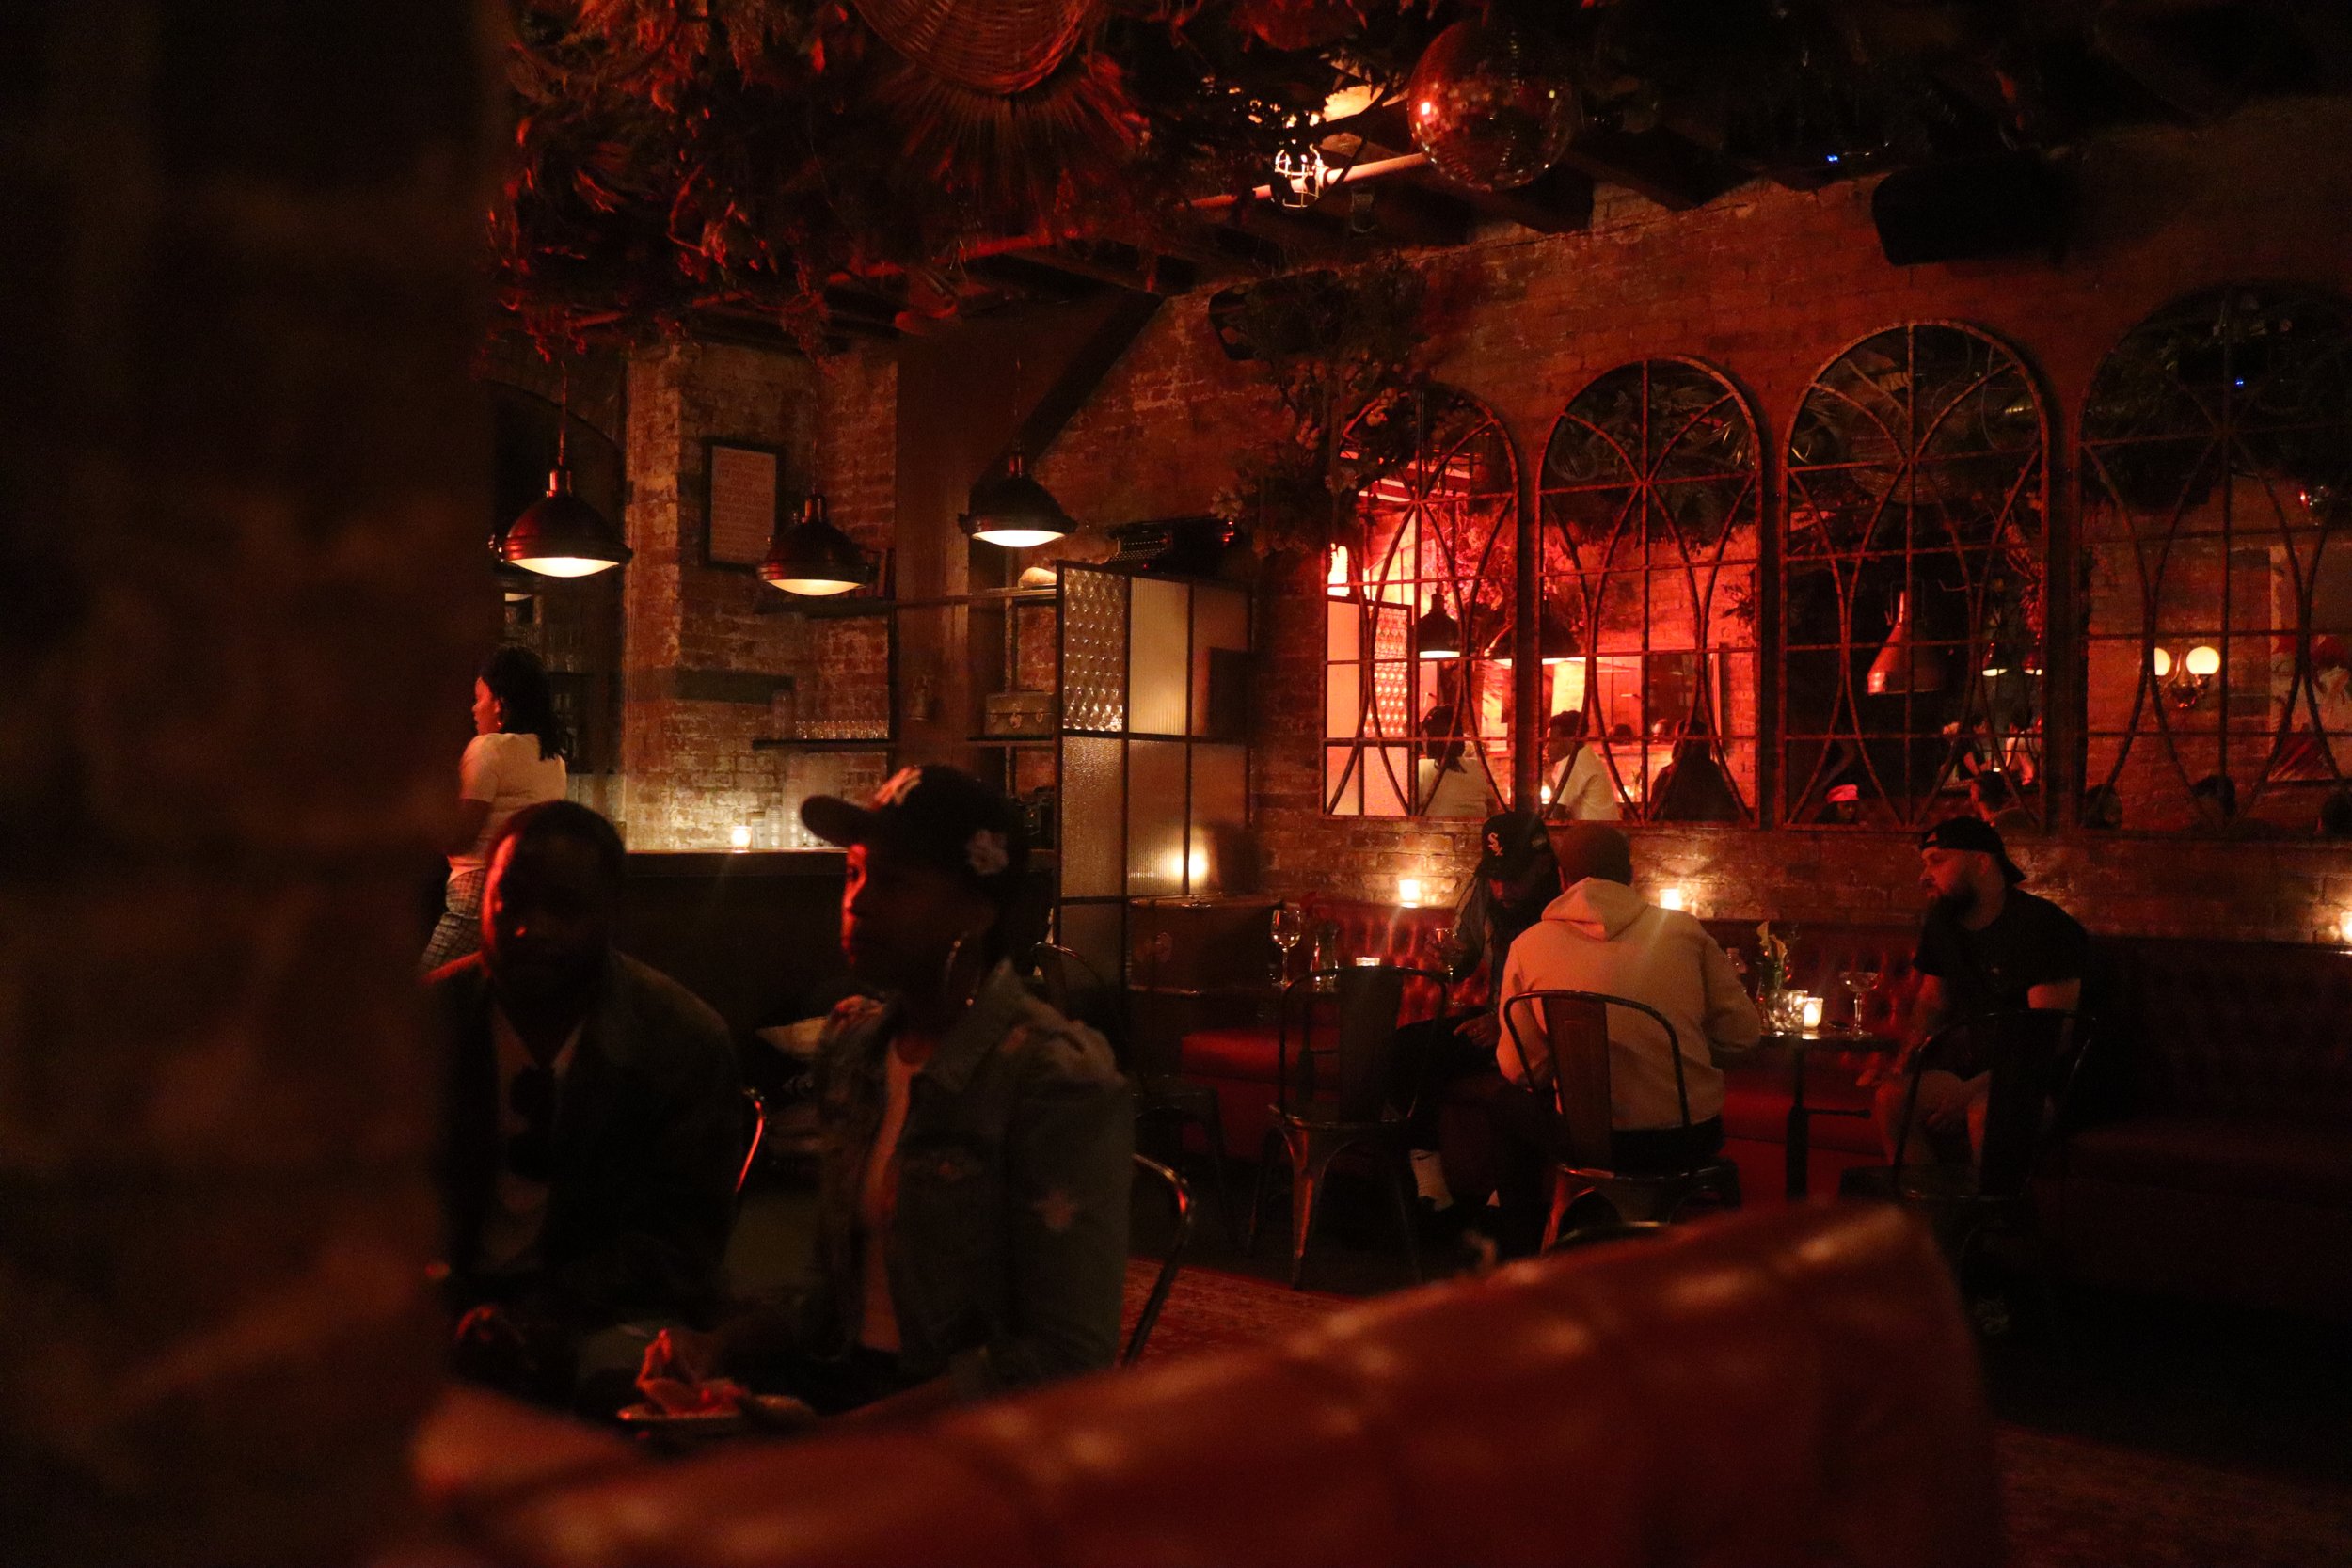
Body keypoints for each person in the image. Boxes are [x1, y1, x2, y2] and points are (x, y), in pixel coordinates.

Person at [648, 766, 1132, 1418]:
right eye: (853, 874)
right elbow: (830, 1295)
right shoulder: (857, 1046)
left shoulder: (1051, 1076)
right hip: (846, 1386)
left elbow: (1063, 1358)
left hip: (971, 1434)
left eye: (895, 882)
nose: (859, 901)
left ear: (977, 911)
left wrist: (845, 1439)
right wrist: (719, 1348)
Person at [428, 800, 744, 1411]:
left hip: (612, 1311)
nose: (532, 927)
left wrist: (537, 1313)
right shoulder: (424, 1024)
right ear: (483, 897)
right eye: (512, 900)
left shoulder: (680, 1040)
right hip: (449, 1300)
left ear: (612, 913)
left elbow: (681, 1244)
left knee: (622, 1384)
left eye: (565, 907)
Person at [1489, 825, 1762, 1249]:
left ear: (1561, 878)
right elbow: (1743, 1035)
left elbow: (1519, 1069)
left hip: (1586, 1144)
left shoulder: (1529, 945)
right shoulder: (1684, 932)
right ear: (1632, 875)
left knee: (1505, 1105)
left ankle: (1521, 1253)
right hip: (1683, 1139)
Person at [1869, 816, 2086, 1166]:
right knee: (1891, 1098)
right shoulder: (1943, 922)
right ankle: (1923, 1201)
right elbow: (1932, 1002)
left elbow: (2049, 1037)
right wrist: (1901, 1065)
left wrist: (1971, 1092)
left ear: (1982, 862)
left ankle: (1987, 1204)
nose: (1924, 876)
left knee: (1984, 1112)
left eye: (1937, 862)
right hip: (1978, 1073)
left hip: (2048, 1081)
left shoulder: (2042, 926)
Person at [1391, 812, 1565, 1218]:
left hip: (1548, 1030)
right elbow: (1465, 958)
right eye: (1495, 877)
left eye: (1514, 877)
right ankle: (1429, 1184)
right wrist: (1450, 959)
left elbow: (1571, 987)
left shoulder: (1566, 901)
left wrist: (1507, 1024)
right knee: (1409, 1047)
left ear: (1542, 864)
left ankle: (1508, 1196)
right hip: (1494, 1019)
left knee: (1533, 1078)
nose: (1502, 888)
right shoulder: (1484, 890)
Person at [421, 645, 570, 973]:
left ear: (500, 705)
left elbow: (460, 838)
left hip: (477, 891)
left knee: (428, 987)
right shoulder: (553, 758)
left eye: (480, 698)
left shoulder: (488, 748)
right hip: (528, 891)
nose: (474, 708)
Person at [1648, 714, 1743, 823]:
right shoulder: (1713, 772)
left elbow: (1654, 816)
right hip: (1710, 831)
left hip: (1674, 832)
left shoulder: (1668, 774)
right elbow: (1731, 813)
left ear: (1679, 742)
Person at [1416, 703, 1496, 819]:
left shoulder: (1419, 769)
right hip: (1477, 829)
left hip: (1432, 831)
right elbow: (1493, 808)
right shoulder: (1479, 768)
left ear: (1426, 736)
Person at [1541, 710, 1619, 821]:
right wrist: (1549, 780)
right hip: (1604, 829)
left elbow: (1556, 814)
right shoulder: (1586, 756)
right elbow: (1559, 802)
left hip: (1594, 831)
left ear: (1568, 740)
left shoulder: (1573, 762)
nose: (1547, 747)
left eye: (1553, 741)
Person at [1967, 770, 2035, 838]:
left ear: (1977, 794)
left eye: (1971, 793)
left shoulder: (1995, 824)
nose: (1969, 799)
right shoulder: (2022, 813)